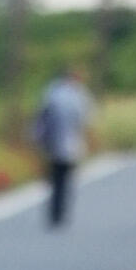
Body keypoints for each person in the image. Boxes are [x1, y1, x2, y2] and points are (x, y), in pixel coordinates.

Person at [32, 62, 93, 227]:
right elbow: (85, 120)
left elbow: (40, 117)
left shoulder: (51, 92)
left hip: (51, 143)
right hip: (70, 144)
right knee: (66, 179)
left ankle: (54, 211)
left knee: (55, 178)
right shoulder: (78, 95)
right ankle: (61, 212)